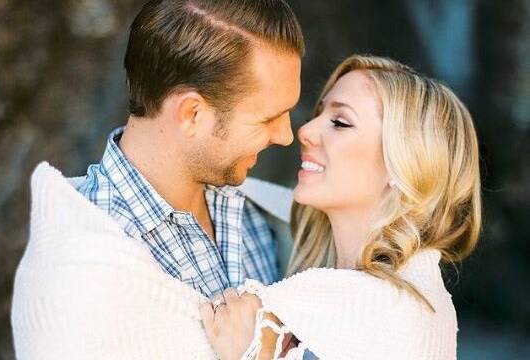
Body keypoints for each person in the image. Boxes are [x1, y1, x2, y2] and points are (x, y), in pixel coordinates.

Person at [11, 0, 304, 358]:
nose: (286, 135)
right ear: (191, 114)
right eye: (267, 118)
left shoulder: (256, 212)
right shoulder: (79, 280)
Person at [200, 55, 482, 360]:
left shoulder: (389, 312)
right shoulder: (408, 302)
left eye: (340, 122)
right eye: (319, 113)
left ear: (403, 165)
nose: (305, 130)